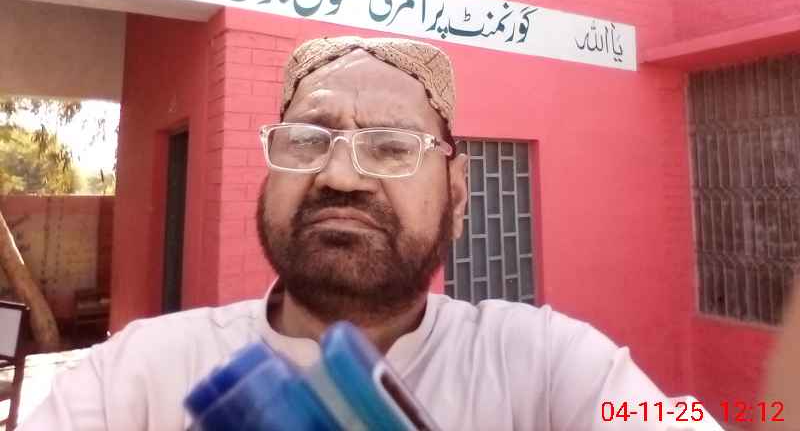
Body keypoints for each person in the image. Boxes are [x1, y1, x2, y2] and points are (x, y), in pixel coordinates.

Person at [20, 36, 722, 430]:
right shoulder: (135, 374)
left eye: (390, 147)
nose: (340, 176)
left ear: (456, 194)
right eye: (307, 141)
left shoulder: (549, 366)